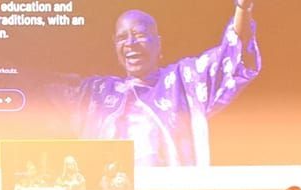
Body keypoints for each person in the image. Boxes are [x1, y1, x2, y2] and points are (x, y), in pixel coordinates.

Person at [68, 2, 260, 167]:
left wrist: (243, 6)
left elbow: (233, 52)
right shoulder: (97, 90)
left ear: (158, 44)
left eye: (139, 35)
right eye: (121, 37)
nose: (130, 43)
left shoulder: (183, 80)